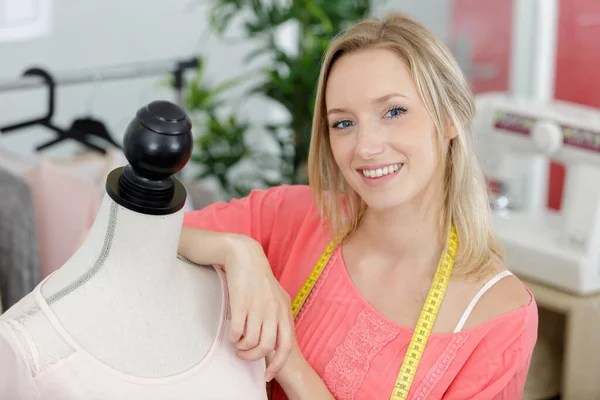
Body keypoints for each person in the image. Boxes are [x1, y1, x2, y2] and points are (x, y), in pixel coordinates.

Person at [178, 12, 538, 400]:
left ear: (451, 117)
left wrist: (291, 364)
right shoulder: (288, 215)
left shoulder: (499, 317)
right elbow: (131, 232)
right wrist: (236, 251)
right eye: (343, 123)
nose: (366, 147)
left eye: (394, 112)